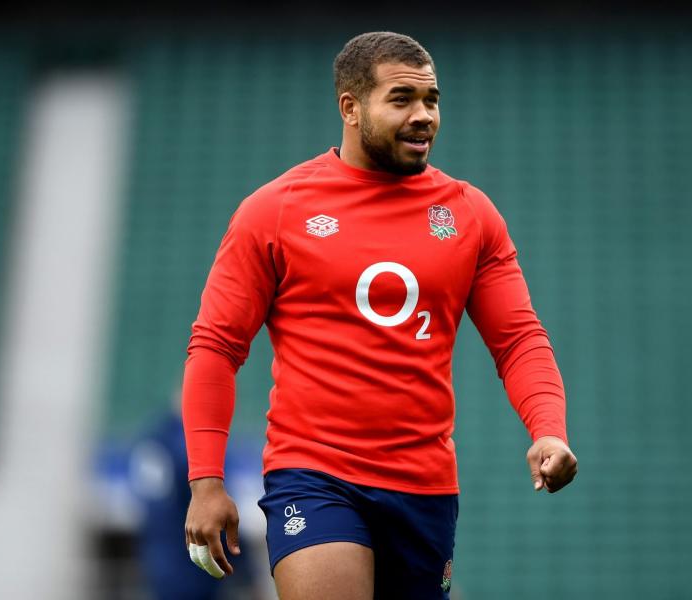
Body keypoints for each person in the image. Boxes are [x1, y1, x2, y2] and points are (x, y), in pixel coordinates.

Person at [182, 31, 577, 600]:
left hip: (425, 486)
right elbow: (216, 348)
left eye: (432, 100)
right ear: (350, 107)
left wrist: (548, 430)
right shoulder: (275, 211)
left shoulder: (470, 215)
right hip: (314, 475)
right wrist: (206, 481)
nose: (423, 116)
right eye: (402, 99)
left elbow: (518, 339)